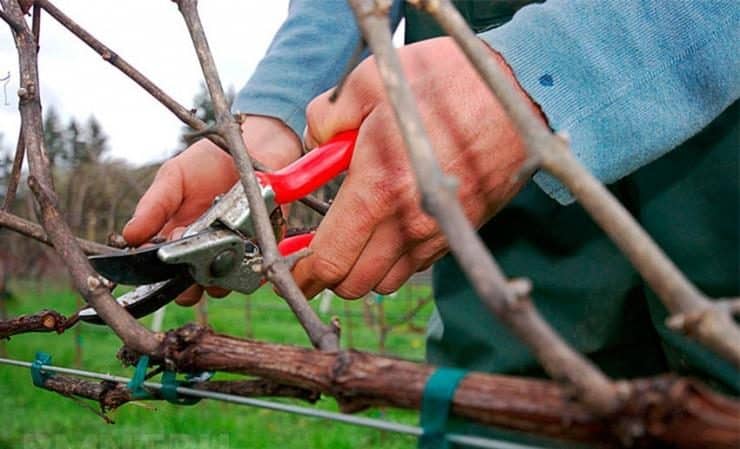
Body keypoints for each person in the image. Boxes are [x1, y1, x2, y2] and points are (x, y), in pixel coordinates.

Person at [123, 0, 738, 445]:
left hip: (718, 125)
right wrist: (273, 111)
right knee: (501, 421)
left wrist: (549, 73)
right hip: (483, 168)